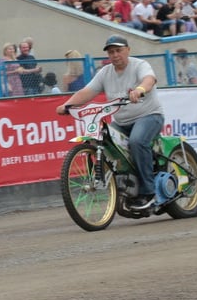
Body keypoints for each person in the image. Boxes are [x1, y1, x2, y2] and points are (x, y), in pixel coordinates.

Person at [57, 35, 163, 211]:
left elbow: (149, 79)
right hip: (121, 122)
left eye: (118, 50)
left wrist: (139, 90)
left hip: (149, 116)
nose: (115, 55)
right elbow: (87, 92)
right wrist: (67, 105)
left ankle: (148, 192)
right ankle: (126, 186)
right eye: (111, 52)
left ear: (128, 50)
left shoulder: (140, 65)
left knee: (137, 141)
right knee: (104, 140)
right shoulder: (105, 73)